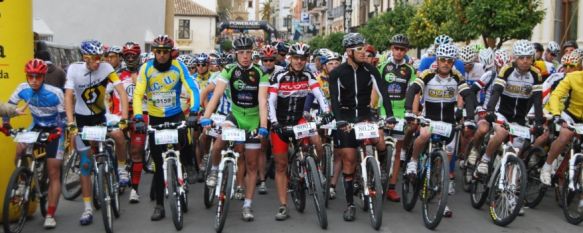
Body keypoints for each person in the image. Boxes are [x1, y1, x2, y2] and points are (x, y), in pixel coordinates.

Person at [200, 35, 269, 222]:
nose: (245, 56)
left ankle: (247, 205)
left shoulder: (260, 72)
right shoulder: (229, 70)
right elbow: (217, 95)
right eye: (241, 53)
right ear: (235, 54)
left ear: (252, 53)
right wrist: (206, 118)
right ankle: (214, 169)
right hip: (235, 116)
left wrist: (263, 126)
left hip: (254, 120)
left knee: (252, 165)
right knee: (218, 143)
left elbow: (263, 102)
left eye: (248, 52)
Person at [132, 35, 200, 221]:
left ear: (171, 52)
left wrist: (194, 111)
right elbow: (138, 95)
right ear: (154, 52)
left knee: (186, 138)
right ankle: (159, 206)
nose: (162, 55)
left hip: (175, 114)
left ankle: (188, 165)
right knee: (158, 164)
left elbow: (192, 88)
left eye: (165, 52)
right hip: (155, 118)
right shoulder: (146, 68)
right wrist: (138, 117)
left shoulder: (178, 66)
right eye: (158, 51)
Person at [404, 43, 476, 217]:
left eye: (450, 61)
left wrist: (471, 118)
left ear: (453, 62)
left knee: (441, 164)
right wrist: (409, 111)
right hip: (429, 119)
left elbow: (468, 95)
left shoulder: (457, 76)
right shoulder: (428, 74)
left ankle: (441, 201)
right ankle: (413, 161)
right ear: (437, 59)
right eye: (443, 60)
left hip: (448, 123)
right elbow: (413, 89)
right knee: (425, 134)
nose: (446, 63)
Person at [329, 33, 395, 221]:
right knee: (349, 158)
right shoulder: (337, 73)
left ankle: (380, 167)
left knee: (379, 140)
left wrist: (389, 114)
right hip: (346, 116)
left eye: (364, 48)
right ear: (349, 52)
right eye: (359, 49)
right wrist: (340, 120)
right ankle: (350, 204)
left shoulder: (371, 70)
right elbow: (334, 100)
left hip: (366, 114)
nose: (364, 52)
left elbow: (383, 92)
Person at [64, 40, 129, 225]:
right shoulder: (74, 70)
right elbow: (68, 96)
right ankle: (87, 209)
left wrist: (124, 117)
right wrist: (70, 123)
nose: (98, 62)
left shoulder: (107, 67)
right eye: (94, 59)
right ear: (85, 58)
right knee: (85, 165)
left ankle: (123, 170)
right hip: (82, 119)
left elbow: (122, 92)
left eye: (100, 58)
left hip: (102, 116)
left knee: (117, 135)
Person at [268, 42, 332, 220]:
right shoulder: (279, 75)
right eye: (295, 58)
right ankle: (283, 205)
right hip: (280, 122)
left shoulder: (308, 74)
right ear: (290, 58)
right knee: (281, 165)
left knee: (317, 141)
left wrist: (326, 112)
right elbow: (271, 101)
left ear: (306, 60)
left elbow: (320, 95)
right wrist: (274, 122)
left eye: (302, 59)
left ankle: (315, 169)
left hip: (299, 120)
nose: (298, 61)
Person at [2, 59, 65, 229]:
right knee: (19, 148)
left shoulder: (55, 93)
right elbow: (8, 107)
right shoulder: (22, 89)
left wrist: (59, 131)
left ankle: (50, 213)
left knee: (53, 170)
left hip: (54, 128)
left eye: (38, 77)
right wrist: (6, 124)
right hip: (36, 125)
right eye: (31, 76)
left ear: (44, 77)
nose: (34, 80)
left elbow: (64, 117)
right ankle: (22, 180)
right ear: (27, 76)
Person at [375, 34, 416, 202]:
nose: (398, 52)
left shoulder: (410, 70)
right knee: (380, 145)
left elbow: (414, 93)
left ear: (406, 51)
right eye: (396, 49)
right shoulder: (383, 67)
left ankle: (391, 187)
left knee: (398, 151)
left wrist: (412, 114)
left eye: (402, 49)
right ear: (391, 49)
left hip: (400, 113)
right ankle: (376, 177)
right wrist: (373, 109)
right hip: (384, 110)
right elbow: (375, 90)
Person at [540, 52, 583, 186]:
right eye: (566, 66)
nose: (568, 68)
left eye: (572, 65)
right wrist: (556, 115)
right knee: (565, 135)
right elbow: (556, 96)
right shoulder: (571, 77)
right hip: (569, 114)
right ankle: (547, 166)